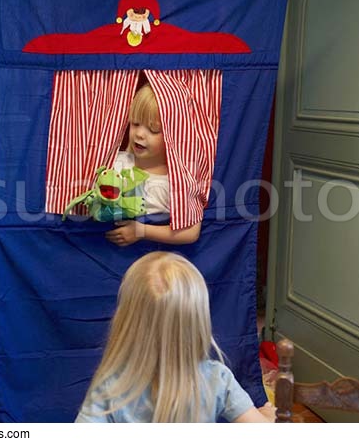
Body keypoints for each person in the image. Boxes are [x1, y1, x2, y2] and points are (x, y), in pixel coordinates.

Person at [76, 252, 275, 422]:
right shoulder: (217, 378)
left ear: (126, 322)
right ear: (198, 322)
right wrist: (267, 416)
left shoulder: (113, 386)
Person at [105, 84, 201, 246]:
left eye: (153, 130)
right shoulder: (116, 162)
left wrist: (141, 231)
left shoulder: (177, 180)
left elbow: (191, 232)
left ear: (173, 136)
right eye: (135, 124)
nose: (139, 134)